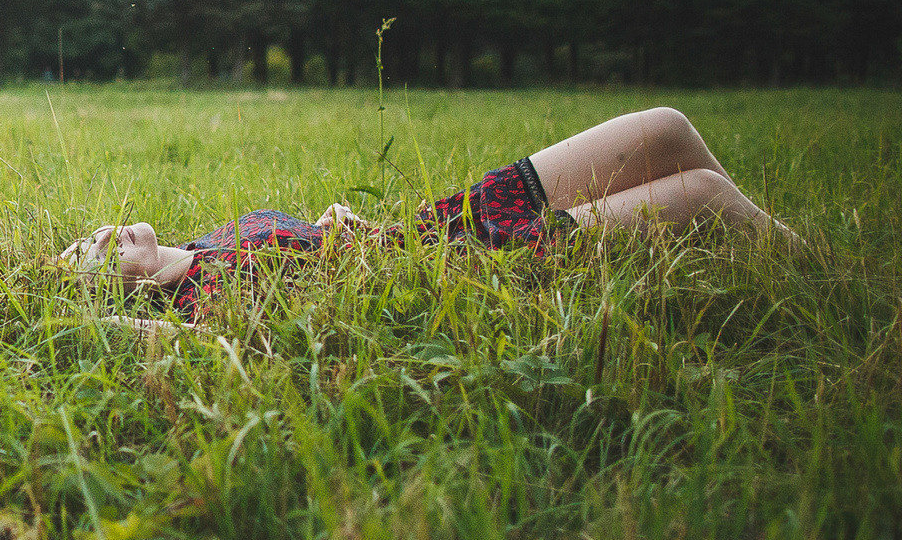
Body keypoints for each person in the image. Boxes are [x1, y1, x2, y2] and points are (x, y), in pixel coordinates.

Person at [60, 107, 798, 324]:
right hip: (472, 268)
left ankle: (784, 255)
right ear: (124, 293)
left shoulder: (207, 244)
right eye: (92, 256)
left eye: (85, 234)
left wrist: (327, 229)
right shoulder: (198, 310)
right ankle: (820, 270)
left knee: (664, 129)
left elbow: (304, 253)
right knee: (701, 197)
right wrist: (94, 322)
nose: (99, 233)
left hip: (438, 224)